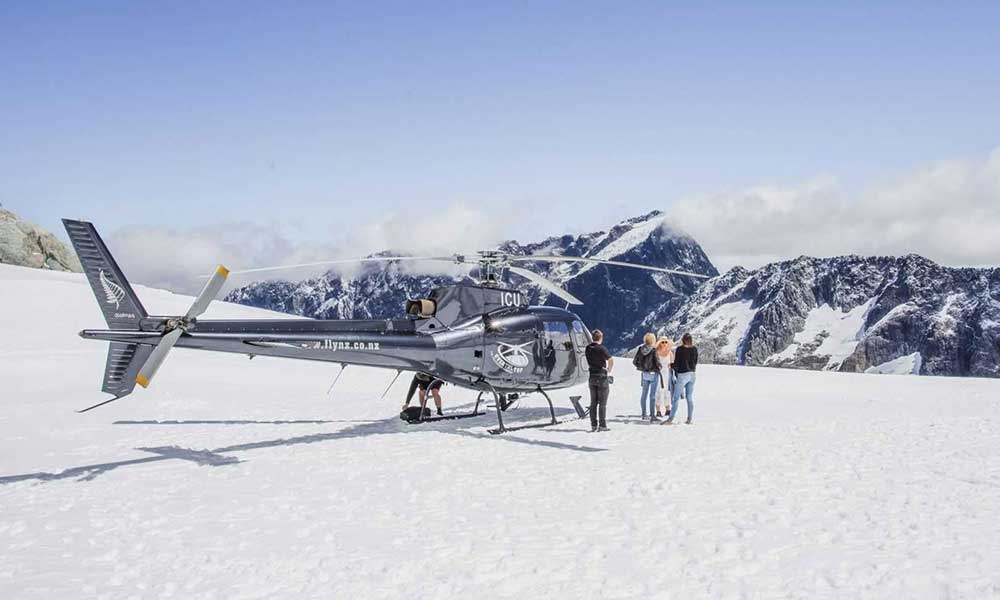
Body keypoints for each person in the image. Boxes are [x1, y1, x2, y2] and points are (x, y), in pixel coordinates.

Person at [584, 329, 614, 432]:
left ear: (592, 337)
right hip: (601, 377)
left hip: (592, 376)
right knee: (602, 403)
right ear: (600, 338)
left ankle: (593, 425)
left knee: (593, 402)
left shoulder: (588, 348)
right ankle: (602, 425)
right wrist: (609, 369)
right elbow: (610, 359)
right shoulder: (601, 348)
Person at [665, 333, 698, 425]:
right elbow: (695, 362)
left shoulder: (680, 349)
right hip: (692, 375)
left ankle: (670, 419)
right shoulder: (695, 349)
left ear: (683, 340)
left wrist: (670, 365)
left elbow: (676, 364)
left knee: (675, 398)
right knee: (689, 397)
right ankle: (689, 419)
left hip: (683, 375)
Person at [632, 332, 663, 422]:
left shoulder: (640, 349)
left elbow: (634, 362)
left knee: (644, 394)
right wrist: (659, 368)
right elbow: (657, 363)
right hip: (653, 374)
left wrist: (641, 368)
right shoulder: (653, 351)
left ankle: (643, 414)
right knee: (652, 395)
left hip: (644, 374)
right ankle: (653, 416)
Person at [654, 336, 674, 418]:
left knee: (667, 392)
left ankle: (668, 409)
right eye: (663, 342)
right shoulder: (656, 352)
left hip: (667, 374)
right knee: (658, 392)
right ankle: (658, 410)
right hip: (659, 374)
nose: (664, 343)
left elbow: (672, 363)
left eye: (666, 342)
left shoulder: (670, 353)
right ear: (659, 343)